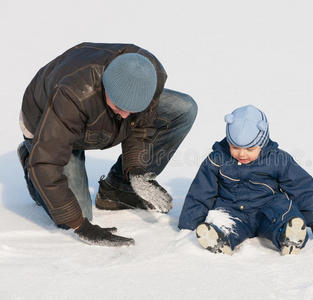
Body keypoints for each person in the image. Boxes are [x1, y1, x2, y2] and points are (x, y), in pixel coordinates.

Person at [17, 42, 197, 246]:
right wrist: (80, 226)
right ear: (106, 88)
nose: (125, 115)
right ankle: (29, 160)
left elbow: (140, 127)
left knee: (184, 108)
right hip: (46, 123)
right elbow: (46, 162)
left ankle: (118, 190)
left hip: (93, 120)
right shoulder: (73, 94)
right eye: (120, 106)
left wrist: (135, 170)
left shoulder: (149, 76)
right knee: (75, 215)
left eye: (134, 109)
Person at [178, 105, 313, 255]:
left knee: (285, 211)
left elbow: (301, 187)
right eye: (235, 148)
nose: (242, 154)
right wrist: (189, 225)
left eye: (250, 149)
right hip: (233, 209)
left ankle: (288, 235)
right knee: (221, 218)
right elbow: (201, 192)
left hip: (268, 210)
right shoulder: (217, 159)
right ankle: (221, 237)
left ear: (263, 143)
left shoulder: (278, 159)